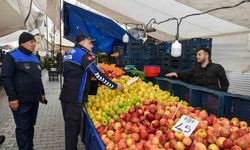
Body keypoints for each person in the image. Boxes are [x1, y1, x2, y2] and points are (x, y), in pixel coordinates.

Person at [59, 33, 124, 150]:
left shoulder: (70, 54)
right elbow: (98, 76)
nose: (92, 46)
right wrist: (115, 86)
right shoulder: (84, 55)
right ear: (82, 42)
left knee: (70, 128)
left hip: (66, 96)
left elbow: (73, 73)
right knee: (73, 130)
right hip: (75, 98)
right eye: (90, 43)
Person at [1, 32, 46, 150]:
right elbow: (6, 77)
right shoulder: (11, 56)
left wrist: (42, 93)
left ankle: (30, 148)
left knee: (30, 126)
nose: (34, 44)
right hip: (20, 101)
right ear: (23, 42)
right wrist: (12, 98)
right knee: (23, 127)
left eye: (34, 42)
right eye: (32, 42)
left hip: (34, 99)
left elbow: (38, 77)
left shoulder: (35, 58)